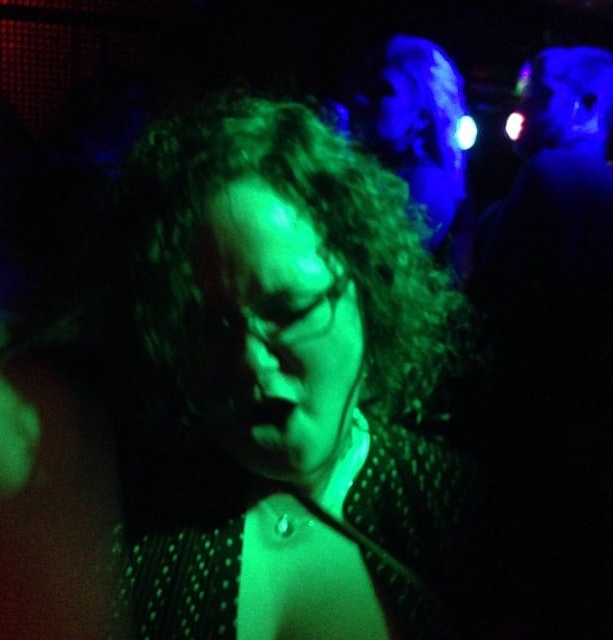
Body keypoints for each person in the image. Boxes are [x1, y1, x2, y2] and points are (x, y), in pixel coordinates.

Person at [105, 91, 482, 640]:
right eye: (208, 328)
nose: (251, 362)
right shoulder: (120, 519)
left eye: (289, 311)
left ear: (367, 288)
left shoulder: (461, 511)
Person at [467, 45, 613, 637]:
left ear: (588, 104)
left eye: (540, 98)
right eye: (521, 97)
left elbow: (502, 305)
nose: (521, 111)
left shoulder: (549, 175)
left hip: (525, 419)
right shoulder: (597, 182)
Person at [344, 35, 476, 282]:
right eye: (367, 88)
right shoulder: (389, 172)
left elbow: (373, 272)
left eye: (383, 90)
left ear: (422, 116)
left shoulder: (428, 184)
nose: (362, 99)